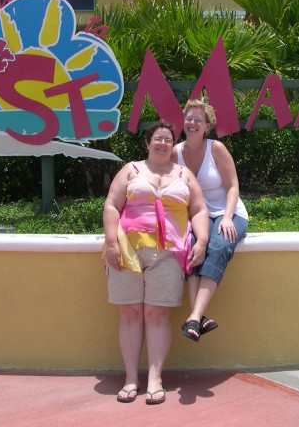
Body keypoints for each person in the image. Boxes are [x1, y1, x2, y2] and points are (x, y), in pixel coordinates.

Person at [103, 120, 208, 405]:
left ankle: (155, 378)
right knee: (130, 314)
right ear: (147, 143)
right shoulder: (131, 170)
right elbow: (112, 204)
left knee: (157, 315)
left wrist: (201, 241)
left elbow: (198, 209)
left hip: (170, 253)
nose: (162, 143)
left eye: (168, 139)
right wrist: (112, 242)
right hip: (128, 251)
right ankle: (130, 378)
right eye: (157, 138)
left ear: (173, 145)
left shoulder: (184, 174)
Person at [172, 99, 248, 342]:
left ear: (207, 126)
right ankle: (197, 318)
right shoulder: (175, 153)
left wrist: (227, 217)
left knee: (219, 245)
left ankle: (194, 316)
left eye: (198, 119)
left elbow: (233, 185)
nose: (192, 123)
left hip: (228, 211)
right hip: (196, 215)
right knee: (193, 249)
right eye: (189, 118)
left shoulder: (216, 148)